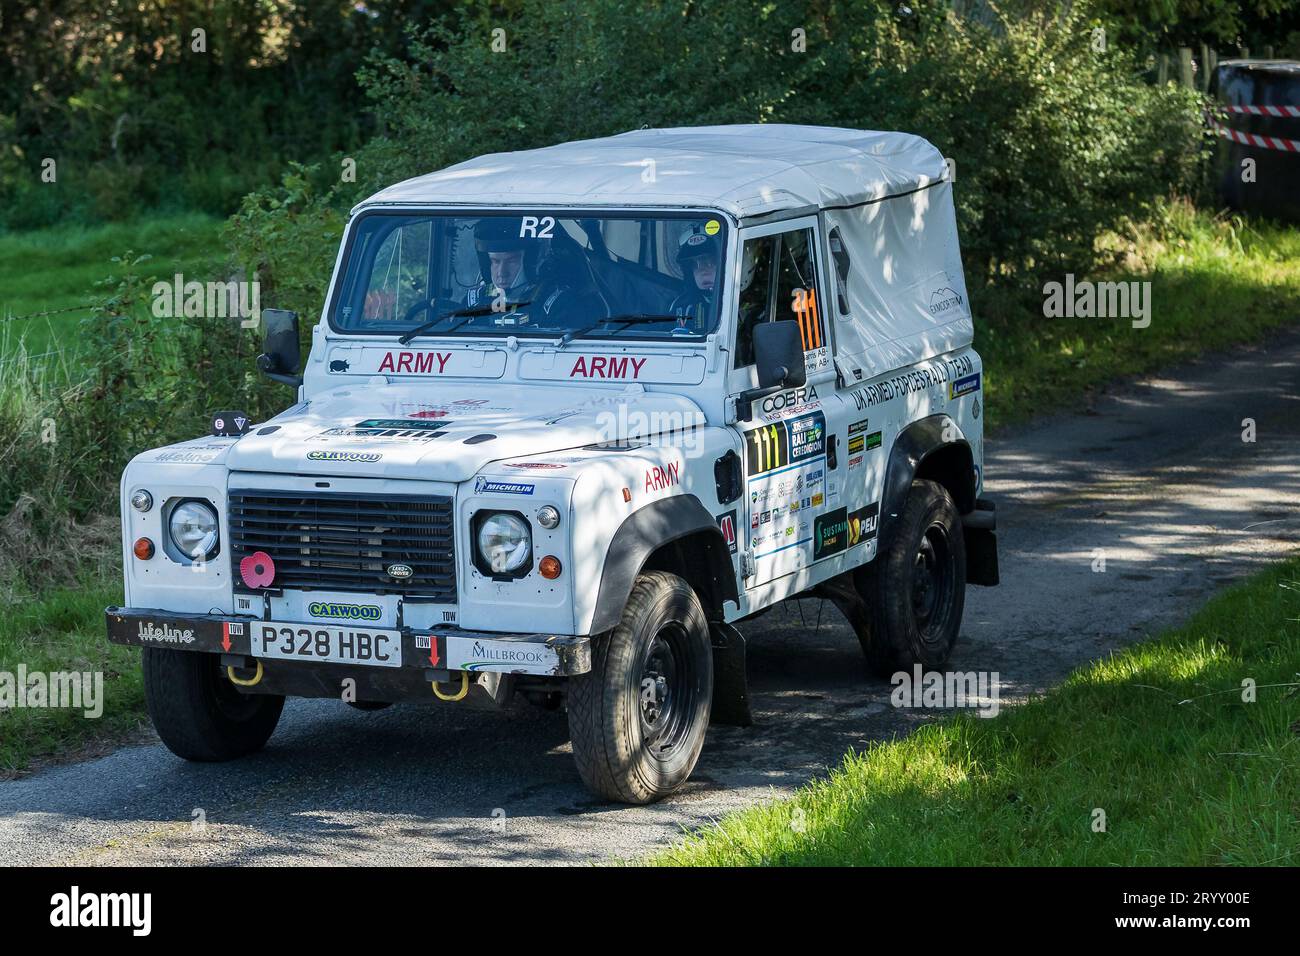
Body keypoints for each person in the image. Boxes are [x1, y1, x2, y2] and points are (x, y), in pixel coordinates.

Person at [670, 224, 719, 334]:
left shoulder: (741, 302)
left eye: (710, 262)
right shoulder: (681, 306)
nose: (703, 271)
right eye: (694, 265)